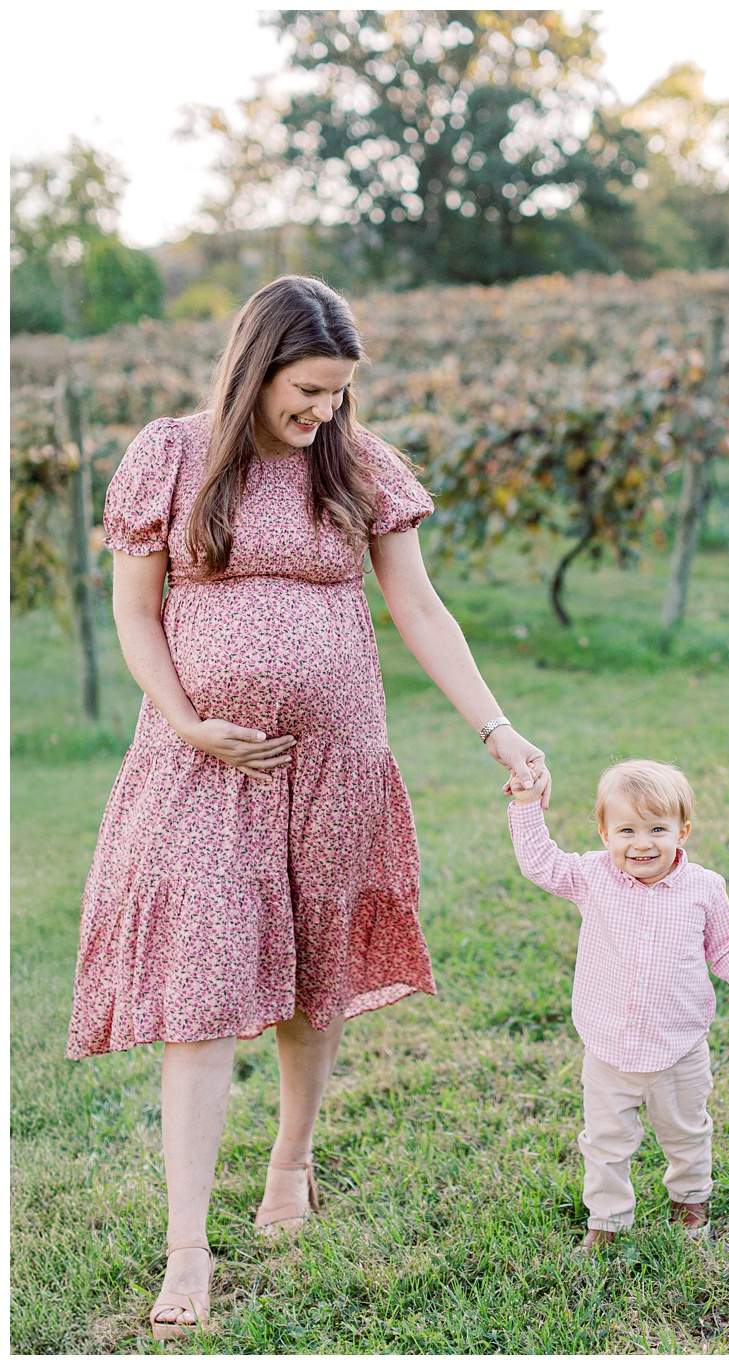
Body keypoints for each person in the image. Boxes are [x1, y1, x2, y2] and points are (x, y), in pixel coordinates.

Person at [68, 275, 550, 1340]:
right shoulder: (174, 456)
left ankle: (291, 1161)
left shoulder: (359, 465)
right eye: (309, 390)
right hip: (201, 763)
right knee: (199, 986)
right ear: (258, 364)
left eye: (338, 394)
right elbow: (137, 615)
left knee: (312, 972)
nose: (323, 411)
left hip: (335, 764)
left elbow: (417, 605)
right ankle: (185, 1248)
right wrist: (191, 721)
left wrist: (497, 728)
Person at [507, 759, 729, 1249]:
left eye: (657, 828)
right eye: (627, 829)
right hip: (609, 1045)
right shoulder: (593, 876)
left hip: (679, 1047)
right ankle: (607, 1222)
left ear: (683, 831)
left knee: (687, 1133)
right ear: (605, 832)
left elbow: (727, 946)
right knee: (605, 1143)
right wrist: (526, 806)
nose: (642, 843)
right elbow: (540, 863)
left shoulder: (704, 888)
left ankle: (690, 1201)